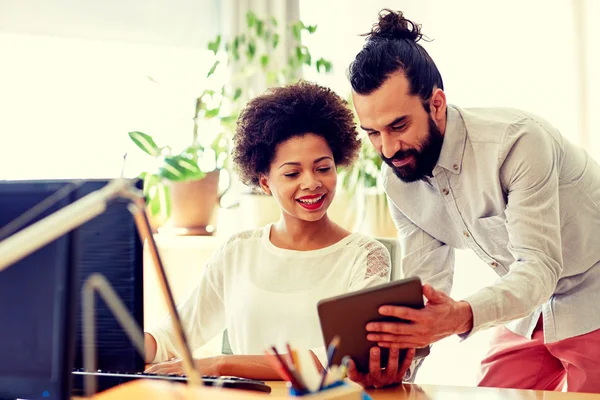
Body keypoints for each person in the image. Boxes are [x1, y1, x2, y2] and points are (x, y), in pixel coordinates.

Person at [346, 8, 600, 393]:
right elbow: (426, 284)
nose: (388, 148)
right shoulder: (399, 180)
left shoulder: (517, 143)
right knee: (488, 393)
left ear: (436, 103)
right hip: (528, 308)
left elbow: (540, 265)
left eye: (399, 126)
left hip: (592, 292)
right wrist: (400, 364)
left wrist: (459, 316)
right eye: (373, 133)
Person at [143, 81, 414, 385]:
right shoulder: (238, 252)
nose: (311, 183)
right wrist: (111, 345)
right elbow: (173, 336)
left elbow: (334, 360)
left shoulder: (364, 256)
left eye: (323, 168)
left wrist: (220, 365)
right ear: (265, 183)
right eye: (292, 173)